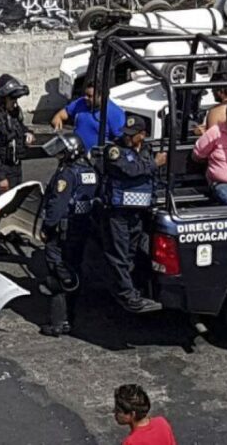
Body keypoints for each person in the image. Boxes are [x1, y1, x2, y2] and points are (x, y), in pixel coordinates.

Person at [101, 115, 166, 313]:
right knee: (118, 255)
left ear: (143, 135)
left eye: (133, 135)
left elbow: (153, 179)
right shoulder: (115, 151)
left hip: (138, 212)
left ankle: (125, 288)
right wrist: (154, 164)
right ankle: (128, 296)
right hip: (118, 213)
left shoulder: (146, 151)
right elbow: (130, 170)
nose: (128, 138)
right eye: (127, 134)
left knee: (132, 253)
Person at [37, 133, 99, 337]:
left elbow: (57, 204)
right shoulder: (90, 172)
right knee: (74, 272)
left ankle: (58, 323)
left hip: (62, 232)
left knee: (58, 275)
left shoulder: (67, 175)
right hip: (80, 230)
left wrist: (46, 227)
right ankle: (70, 319)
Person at [0, 73, 35, 193]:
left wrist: (28, 134)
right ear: (2, 99)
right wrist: (1, 177)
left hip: (15, 168)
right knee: (1, 205)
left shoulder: (12, 113)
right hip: (2, 171)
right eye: (12, 99)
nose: (15, 103)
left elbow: (21, 128)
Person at [51, 81, 126, 151]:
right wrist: (57, 119)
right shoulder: (80, 103)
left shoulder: (116, 113)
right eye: (85, 94)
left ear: (102, 96)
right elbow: (61, 114)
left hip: (97, 159)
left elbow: (121, 141)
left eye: (90, 96)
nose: (85, 98)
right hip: (76, 154)